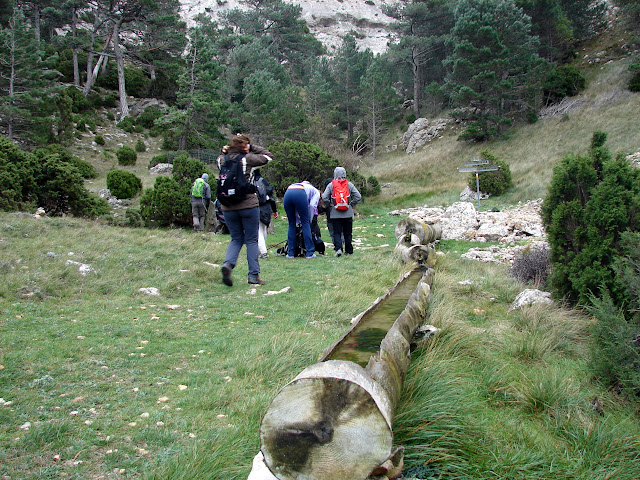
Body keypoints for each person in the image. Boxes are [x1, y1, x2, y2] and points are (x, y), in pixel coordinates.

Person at [217, 134, 273, 286]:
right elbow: (268, 156)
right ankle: (253, 275)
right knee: (251, 240)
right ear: (244, 146)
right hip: (248, 204)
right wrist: (252, 148)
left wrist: (224, 152)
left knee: (236, 239)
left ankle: (228, 264)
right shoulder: (247, 159)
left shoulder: (222, 159)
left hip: (227, 206)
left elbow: (221, 159)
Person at [322, 167, 362, 257]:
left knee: (337, 233)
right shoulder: (349, 184)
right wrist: (351, 204)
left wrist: (330, 205)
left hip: (335, 213)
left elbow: (324, 197)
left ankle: (338, 249)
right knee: (348, 233)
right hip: (347, 213)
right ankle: (349, 251)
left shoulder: (331, 185)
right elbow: (358, 197)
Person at [282, 181, 320, 259]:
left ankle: (290, 253)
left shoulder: (302, 186)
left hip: (288, 192)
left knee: (291, 223)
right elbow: (313, 206)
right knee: (305, 223)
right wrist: (309, 219)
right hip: (299, 193)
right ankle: (310, 253)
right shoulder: (316, 191)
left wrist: (298, 220)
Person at [253, 169, 278, 258]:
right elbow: (271, 197)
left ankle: (263, 252)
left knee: (257, 231)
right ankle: (262, 250)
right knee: (263, 229)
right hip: (266, 208)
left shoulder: (251, 182)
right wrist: (275, 210)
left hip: (256, 207)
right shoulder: (263, 181)